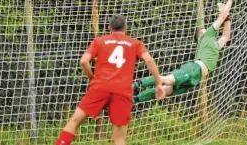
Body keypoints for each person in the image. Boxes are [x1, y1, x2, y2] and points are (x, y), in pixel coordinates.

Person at [56, 14, 166, 145]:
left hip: (100, 87)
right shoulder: (135, 43)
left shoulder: (99, 41)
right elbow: (148, 59)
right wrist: (158, 83)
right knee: (119, 139)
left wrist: (92, 78)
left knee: (74, 122)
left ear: (109, 28)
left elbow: (84, 61)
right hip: (122, 90)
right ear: (126, 28)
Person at [132, 0, 240, 103]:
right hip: (194, 69)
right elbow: (222, 16)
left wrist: (228, 18)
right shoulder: (207, 36)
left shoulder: (214, 44)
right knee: (167, 80)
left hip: (196, 78)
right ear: (200, 36)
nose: (204, 28)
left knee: (166, 90)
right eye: (201, 29)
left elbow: (225, 36)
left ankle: (134, 100)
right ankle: (136, 84)